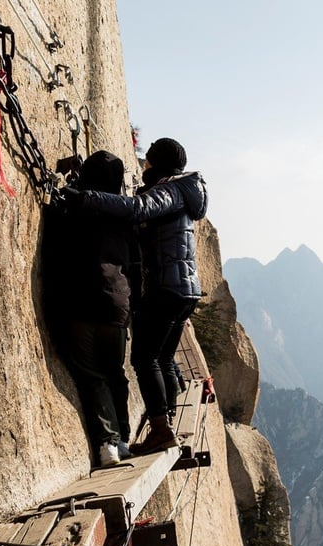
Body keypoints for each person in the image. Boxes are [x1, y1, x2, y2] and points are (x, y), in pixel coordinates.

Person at [60, 138, 207, 455]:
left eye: (148, 162)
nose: (144, 168)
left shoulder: (169, 190)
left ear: (156, 163)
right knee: (164, 357)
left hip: (168, 287)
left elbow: (139, 208)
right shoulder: (182, 191)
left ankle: (161, 429)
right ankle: (166, 420)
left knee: (144, 358)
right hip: (186, 289)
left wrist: (88, 198)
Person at [42, 150, 134, 466]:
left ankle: (107, 442)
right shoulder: (124, 214)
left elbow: (55, 221)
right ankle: (123, 438)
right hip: (117, 304)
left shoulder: (75, 206)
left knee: (91, 374)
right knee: (114, 373)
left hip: (82, 300)